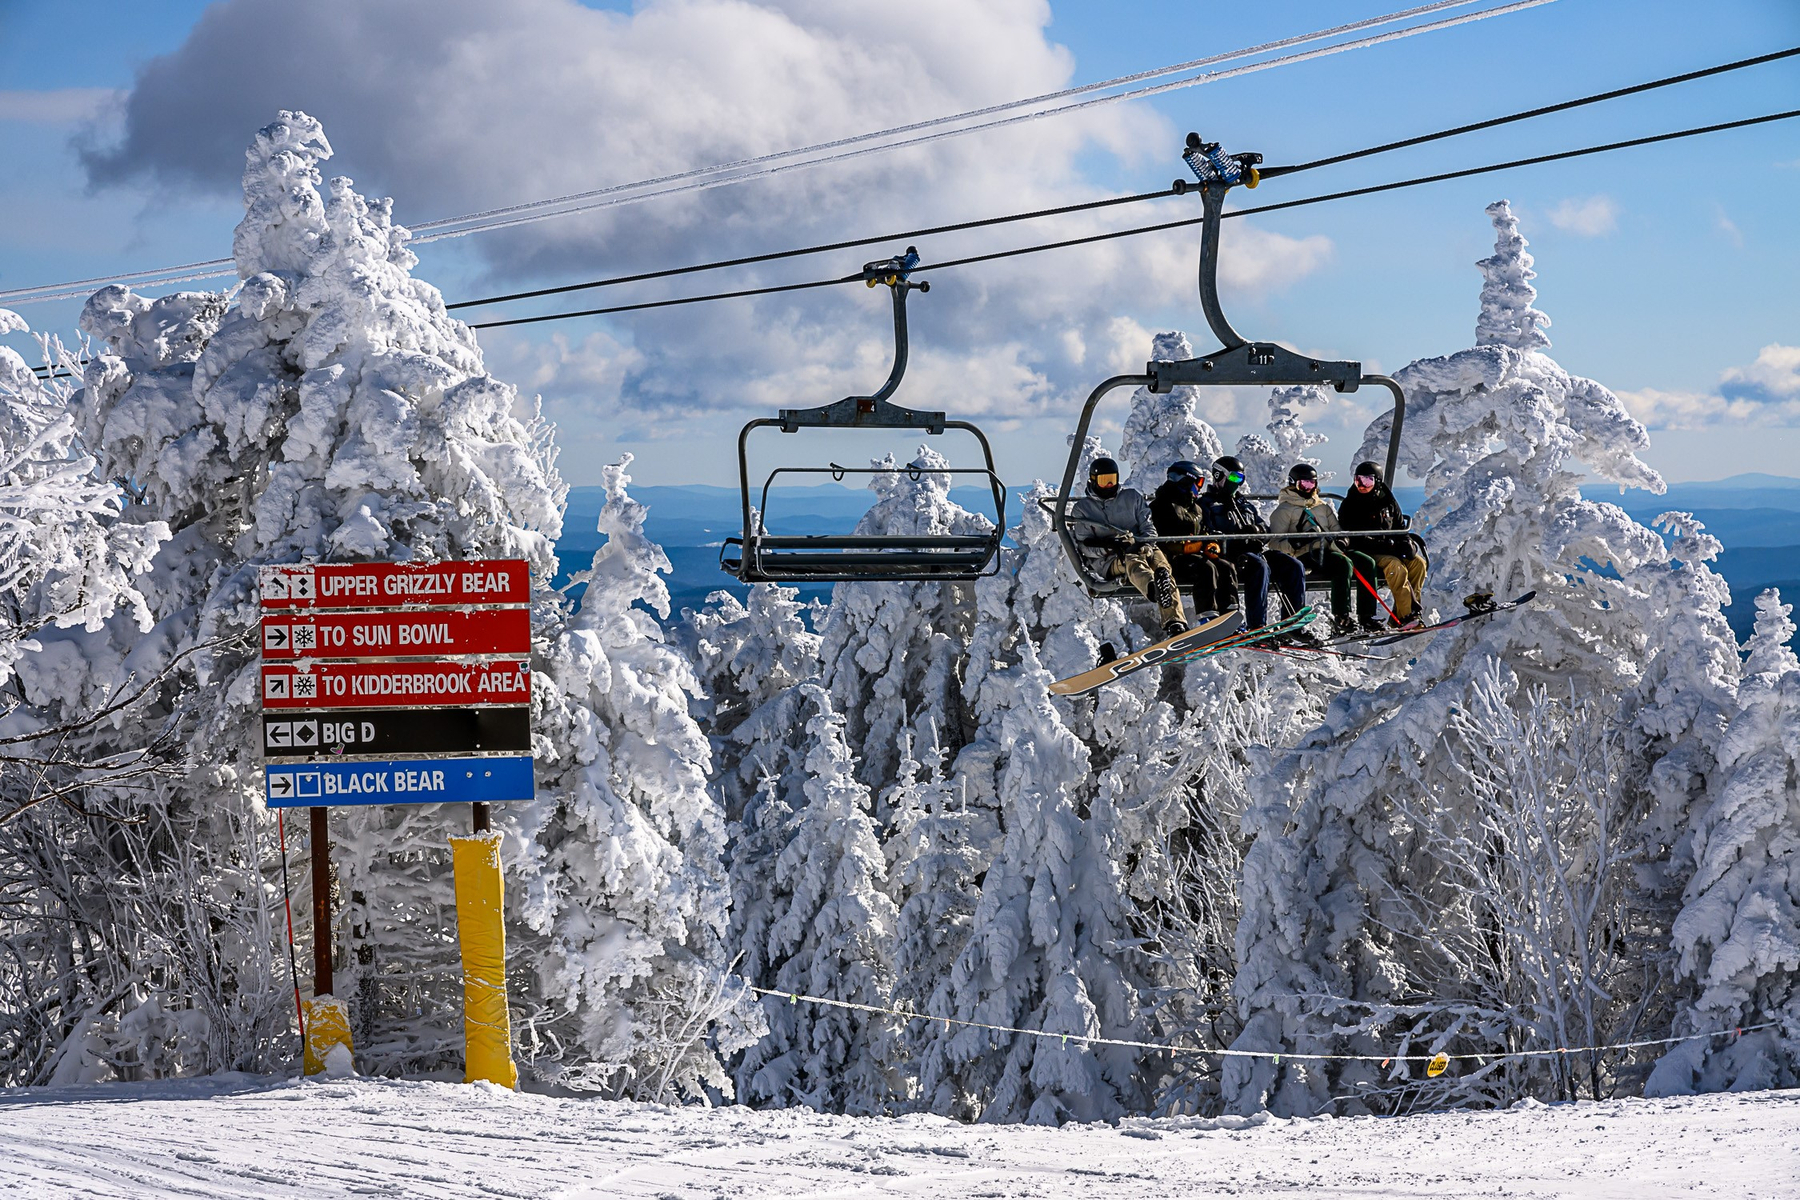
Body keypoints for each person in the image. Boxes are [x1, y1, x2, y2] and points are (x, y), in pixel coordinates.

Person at [1068, 456, 1190, 637]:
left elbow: (1148, 527)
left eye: (1112, 480)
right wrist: (1109, 547)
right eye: (1103, 481)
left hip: (1141, 547)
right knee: (1133, 561)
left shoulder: (1131, 498)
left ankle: (1175, 621)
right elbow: (1085, 546)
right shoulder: (1083, 509)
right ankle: (1153, 588)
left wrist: (1146, 546)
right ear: (1093, 481)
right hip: (1110, 561)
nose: (1109, 485)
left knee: (1162, 568)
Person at [1196, 455, 1306, 633]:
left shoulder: (1244, 504)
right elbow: (1207, 532)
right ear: (1218, 476)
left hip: (1255, 551)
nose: (1237, 483)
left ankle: (1291, 624)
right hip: (1231, 555)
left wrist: (1257, 531)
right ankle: (1257, 625)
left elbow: (1265, 528)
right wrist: (1235, 537)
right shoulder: (1207, 504)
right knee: (1259, 567)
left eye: (1241, 478)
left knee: (1293, 565)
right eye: (1233, 477)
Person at [1268, 463, 1381, 635]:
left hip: (1329, 549)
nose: (1308, 488)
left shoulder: (1322, 507)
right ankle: (1341, 616)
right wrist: (1296, 543)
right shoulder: (1284, 510)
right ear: (1293, 484)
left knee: (1366, 562)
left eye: (1312, 484)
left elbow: (1337, 530)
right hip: (1305, 554)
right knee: (1342, 564)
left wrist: (1342, 540)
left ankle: (1366, 616)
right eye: (1303, 484)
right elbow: (1274, 543)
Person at [1338, 460, 1427, 627]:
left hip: (1388, 548)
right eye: (1358, 480)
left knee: (1418, 564)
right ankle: (1408, 615)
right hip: (1366, 551)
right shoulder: (1351, 504)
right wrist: (1388, 546)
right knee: (1395, 566)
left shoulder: (1387, 501)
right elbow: (1354, 536)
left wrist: (1407, 544)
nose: (1362, 485)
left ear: (1377, 481)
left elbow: (1399, 527)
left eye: (1367, 481)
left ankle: (1401, 616)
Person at [1150, 459, 1238, 620]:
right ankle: (1208, 616)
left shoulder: (1195, 508)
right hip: (1173, 560)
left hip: (1195, 555)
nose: (1199, 486)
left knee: (1226, 567)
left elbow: (1202, 532)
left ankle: (1230, 614)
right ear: (1185, 480)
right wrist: (1185, 547)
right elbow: (1159, 540)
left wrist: (1209, 544)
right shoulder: (1162, 506)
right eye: (1198, 481)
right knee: (1206, 568)